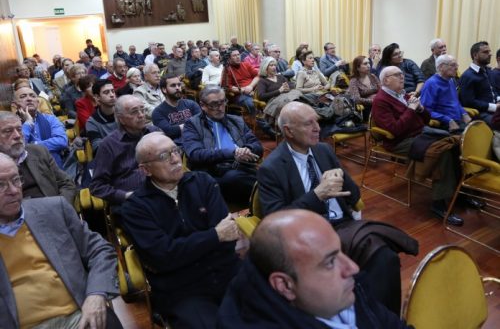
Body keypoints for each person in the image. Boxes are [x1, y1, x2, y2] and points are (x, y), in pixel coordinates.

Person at [258, 101, 419, 315]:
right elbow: (274, 220)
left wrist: (342, 179)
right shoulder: (272, 168)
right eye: (309, 123)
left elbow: (355, 195)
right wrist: (317, 195)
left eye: (317, 120)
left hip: (342, 224)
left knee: (385, 258)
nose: (318, 127)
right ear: (289, 131)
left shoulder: (323, 150)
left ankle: (384, 319)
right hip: (307, 234)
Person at [121, 132, 241, 328]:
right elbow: (162, 257)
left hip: (227, 272)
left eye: (175, 150)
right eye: (163, 156)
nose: (176, 158)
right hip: (182, 289)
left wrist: (185, 248)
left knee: (275, 309)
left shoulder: (203, 182)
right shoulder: (135, 208)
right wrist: (214, 235)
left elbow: (229, 238)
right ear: (145, 170)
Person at [217, 209, 413, 329]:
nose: (353, 268)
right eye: (330, 262)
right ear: (285, 285)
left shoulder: (344, 290)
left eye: (340, 252)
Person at [0, 153, 122, 329]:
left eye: (15, 180)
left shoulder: (53, 209)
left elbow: (100, 250)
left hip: (79, 316)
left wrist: (96, 293)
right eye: (1, 185)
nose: (12, 190)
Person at [372, 66, 483, 226]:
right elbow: (394, 130)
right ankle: (439, 204)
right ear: (386, 80)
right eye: (397, 75)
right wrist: (410, 110)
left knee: (456, 145)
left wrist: (421, 108)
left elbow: (425, 119)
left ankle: (460, 194)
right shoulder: (380, 100)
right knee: (442, 152)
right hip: (400, 141)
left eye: (402, 74)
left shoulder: (403, 94)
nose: (402, 77)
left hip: (420, 132)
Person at [183, 85, 263, 205]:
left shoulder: (236, 120)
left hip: (244, 167)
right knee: (236, 178)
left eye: (223, 102)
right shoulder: (192, 124)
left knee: (273, 170)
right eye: (214, 104)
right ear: (203, 105)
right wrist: (232, 152)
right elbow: (195, 154)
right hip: (214, 172)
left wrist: (248, 149)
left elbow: (257, 146)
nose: (220, 108)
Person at [89, 95, 159, 214]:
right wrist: (126, 196)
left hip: (161, 191)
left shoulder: (155, 132)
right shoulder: (109, 145)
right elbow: (97, 186)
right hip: (131, 201)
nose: (141, 115)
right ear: (121, 119)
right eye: (134, 112)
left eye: (142, 109)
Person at [0, 111, 76, 204]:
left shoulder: (38, 152)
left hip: (53, 209)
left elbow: (66, 183)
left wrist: (61, 207)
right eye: (8, 131)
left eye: (19, 129)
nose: (17, 135)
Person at [12, 87, 68, 169]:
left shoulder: (50, 119)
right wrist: (27, 124)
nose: (29, 99)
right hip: (27, 172)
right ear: (14, 104)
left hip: (54, 168)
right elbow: (18, 149)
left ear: (38, 102)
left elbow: (62, 141)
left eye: (32, 96)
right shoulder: (10, 124)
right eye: (23, 96)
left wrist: (32, 145)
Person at [420, 54, 471, 131]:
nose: (456, 68)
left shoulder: (450, 80)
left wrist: (464, 113)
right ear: (441, 67)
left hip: (458, 121)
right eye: (453, 65)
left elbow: (455, 102)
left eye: (456, 65)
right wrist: (448, 120)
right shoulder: (431, 84)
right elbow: (426, 111)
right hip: (445, 124)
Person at [152, 74, 201, 146]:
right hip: (177, 147)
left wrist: (178, 128)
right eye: (173, 85)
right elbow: (169, 131)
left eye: (179, 85)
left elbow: (202, 122)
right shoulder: (158, 112)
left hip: (198, 141)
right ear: (164, 89)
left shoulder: (191, 104)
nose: (177, 88)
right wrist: (192, 125)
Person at [459, 41, 499, 125]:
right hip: (481, 113)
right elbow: (468, 102)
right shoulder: (467, 76)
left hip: (495, 110)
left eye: (489, 51)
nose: (490, 54)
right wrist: (494, 107)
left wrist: (499, 100)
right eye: (485, 52)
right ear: (475, 55)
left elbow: (493, 91)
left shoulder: (488, 71)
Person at [256, 56, 300, 124]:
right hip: (274, 100)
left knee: (299, 96)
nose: (274, 67)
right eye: (271, 65)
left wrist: (288, 87)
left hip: (287, 96)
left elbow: (291, 84)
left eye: (275, 65)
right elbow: (261, 96)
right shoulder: (262, 81)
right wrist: (279, 91)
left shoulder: (280, 77)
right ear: (265, 67)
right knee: (290, 104)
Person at [86, 79, 118, 154]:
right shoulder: (92, 122)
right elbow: (98, 148)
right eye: (106, 92)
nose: (112, 95)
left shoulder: (124, 112)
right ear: (97, 97)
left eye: (113, 91)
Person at [347, 55, 381, 120]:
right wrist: (373, 101)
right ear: (358, 68)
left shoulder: (372, 76)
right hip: (366, 107)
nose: (369, 65)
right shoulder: (354, 81)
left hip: (379, 103)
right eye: (365, 64)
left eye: (369, 63)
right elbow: (356, 99)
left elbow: (381, 90)